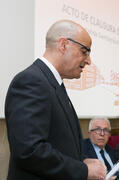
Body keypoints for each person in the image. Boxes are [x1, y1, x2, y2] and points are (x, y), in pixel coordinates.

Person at [5, 20, 107, 180]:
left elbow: (59, 144)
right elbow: (29, 151)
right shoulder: (31, 81)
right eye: (84, 51)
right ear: (63, 45)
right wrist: (83, 170)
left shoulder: (52, 83)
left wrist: (81, 162)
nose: (88, 61)